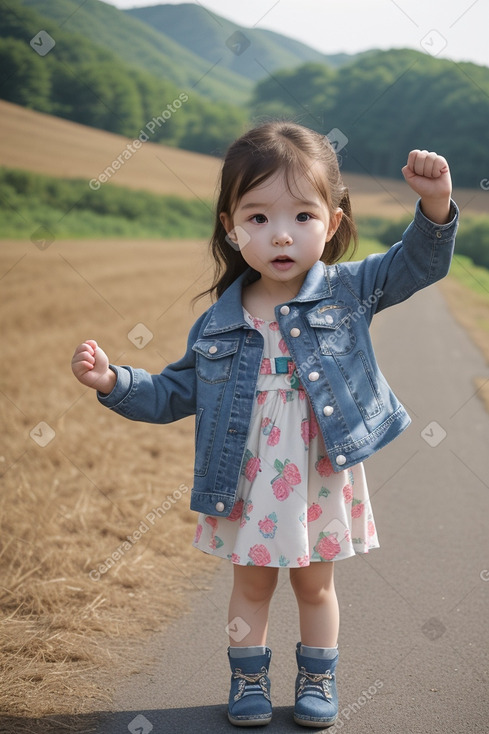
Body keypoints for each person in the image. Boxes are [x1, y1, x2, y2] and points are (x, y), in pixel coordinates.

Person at [71, 121, 458, 728]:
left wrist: (434, 205)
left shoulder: (348, 291)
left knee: (314, 587)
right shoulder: (219, 324)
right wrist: (115, 382)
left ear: (331, 223)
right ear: (230, 226)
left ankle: (317, 678)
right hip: (247, 478)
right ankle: (248, 679)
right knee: (252, 587)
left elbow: (416, 264)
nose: (281, 234)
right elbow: (176, 391)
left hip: (319, 474)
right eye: (257, 218)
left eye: (302, 217)